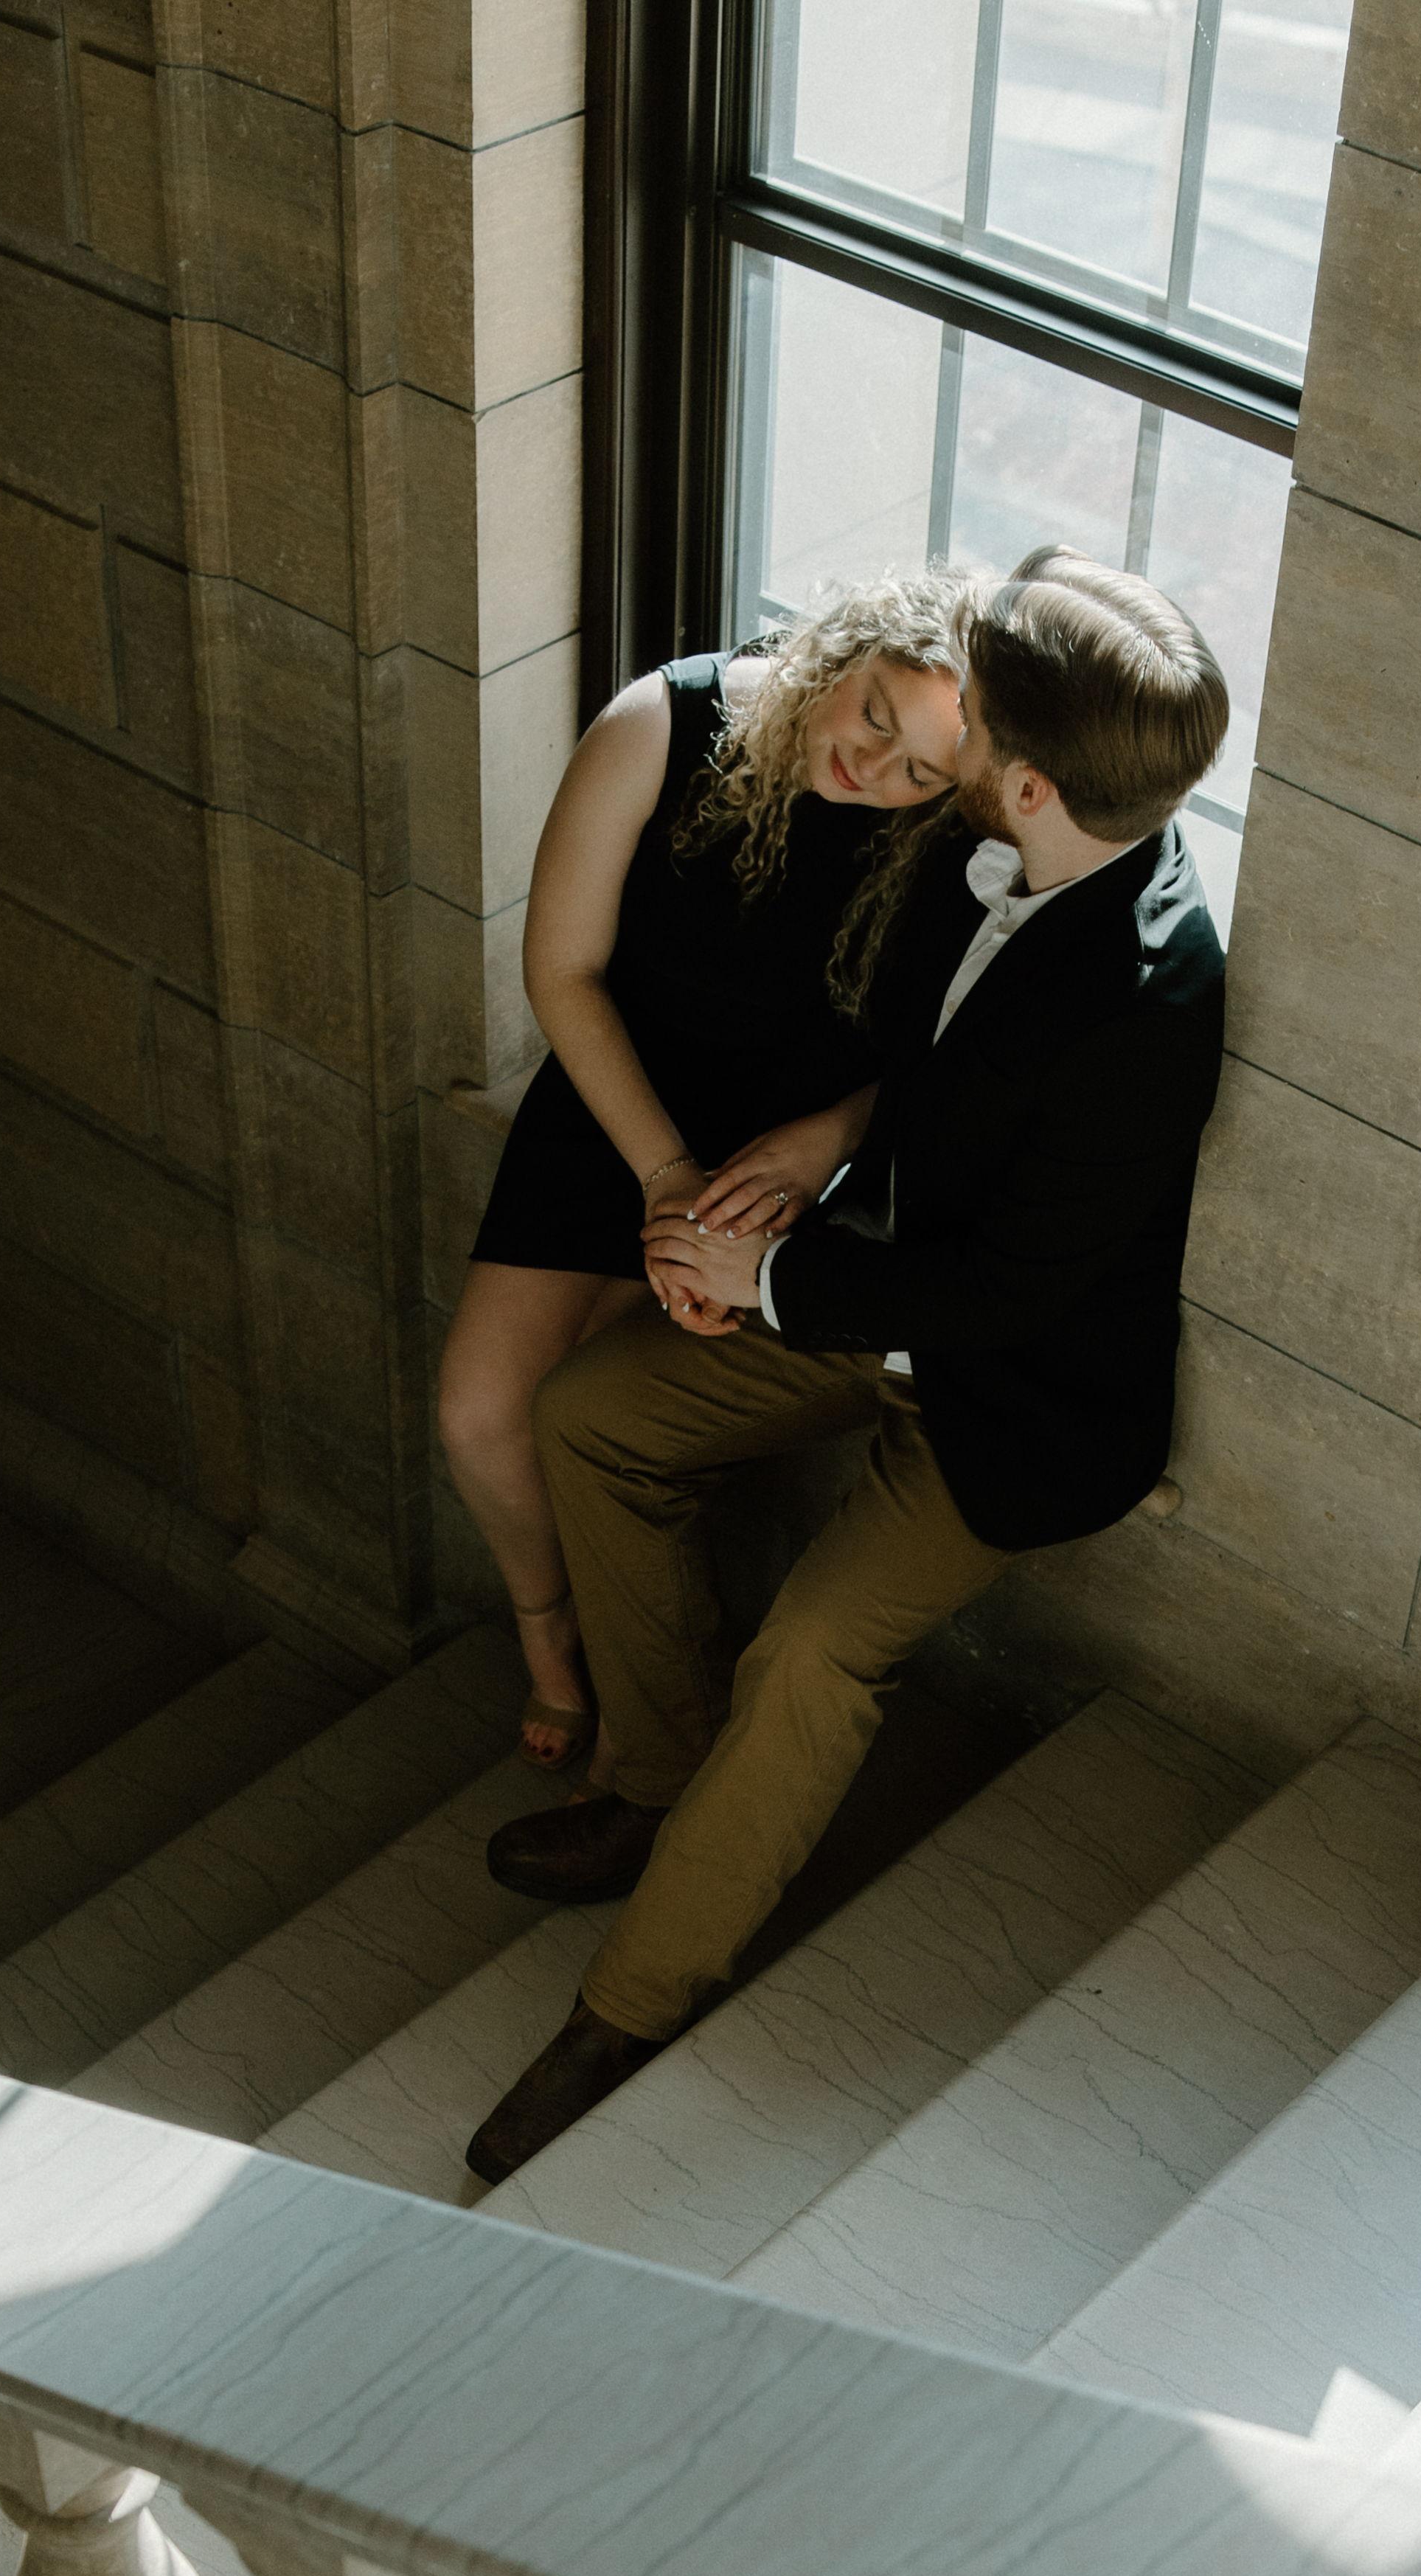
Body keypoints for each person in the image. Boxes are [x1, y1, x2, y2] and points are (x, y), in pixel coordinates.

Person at [462, 546, 1231, 2186]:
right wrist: (805, 1155)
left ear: (1024, 782)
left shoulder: (1147, 997)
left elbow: (1013, 1290)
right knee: (584, 1414)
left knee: (811, 1650)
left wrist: (762, 1272)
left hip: (1005, 1397)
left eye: (966, 737)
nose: (927, 761)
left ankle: (626, 2008)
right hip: (864, 1293)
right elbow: (900, 1060)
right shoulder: (991, 843)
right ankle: (652, 1780)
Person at [439, 580, 974, 1780]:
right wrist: (661, 1172)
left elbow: (935, 1048)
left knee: (597, 1404)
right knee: (479, 1413)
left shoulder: (951, 838)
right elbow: (560, 969)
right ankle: (548, 1625)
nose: (874, 768)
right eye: (874, 715)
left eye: (918, 773)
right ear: (845, 649)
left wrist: (825, 1144)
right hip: (614, 1102)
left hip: (774, 1158)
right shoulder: (661, 722)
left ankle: (636, 1667)